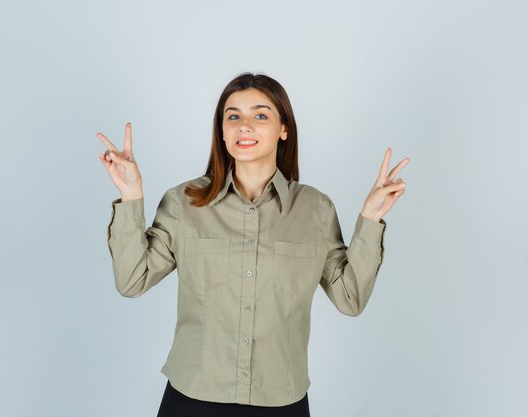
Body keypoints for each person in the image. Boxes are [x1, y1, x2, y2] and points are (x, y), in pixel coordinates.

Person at [97, 72, 409, 417]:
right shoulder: (184, 203)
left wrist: (370, 219)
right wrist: (130, 196)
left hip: (280, 402)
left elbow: (350, 298)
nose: (244, 126)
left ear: (283, 129)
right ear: (222, 130)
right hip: (192, 398)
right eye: (233, 116)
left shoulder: (315, 210)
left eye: (260, 115)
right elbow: (132, 280)